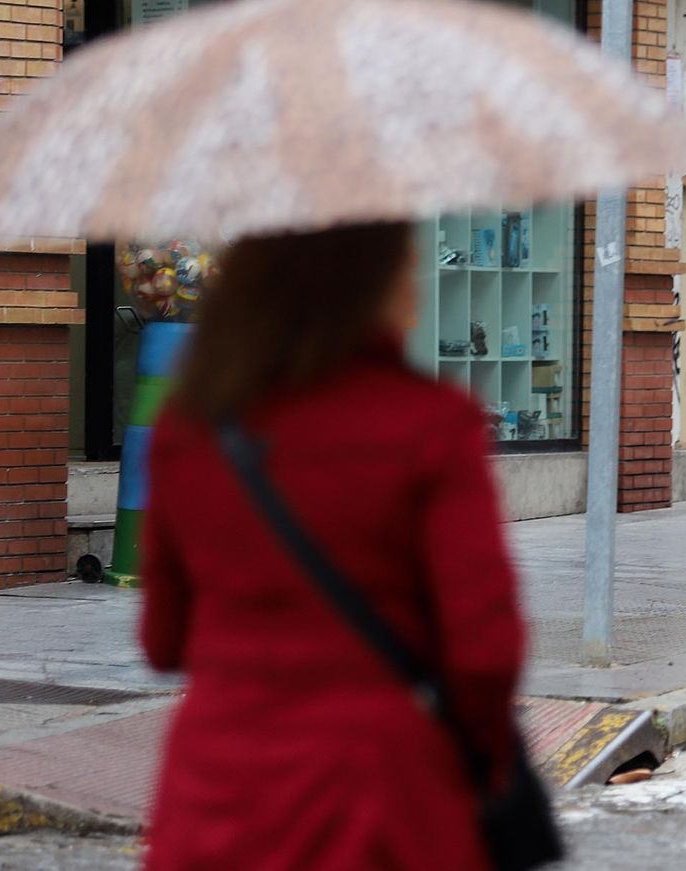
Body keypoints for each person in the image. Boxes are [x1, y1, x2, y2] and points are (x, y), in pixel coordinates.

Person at [141, 223, 525, 870]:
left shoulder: (190, 428)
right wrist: (479, 761)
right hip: (380, 795)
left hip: (218, 792)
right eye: (407, 262)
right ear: (375, 281)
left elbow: (163, 641)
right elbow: (484, 652)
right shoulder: (432, 424)